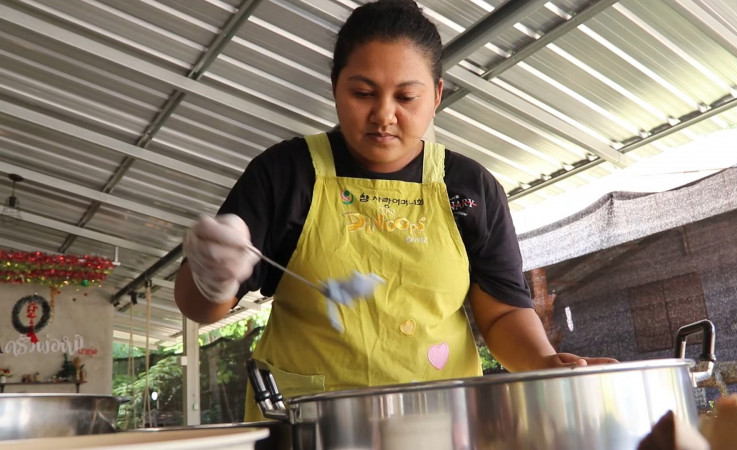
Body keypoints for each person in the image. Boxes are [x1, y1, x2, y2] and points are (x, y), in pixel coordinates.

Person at [174, 0, 615, 421]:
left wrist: (543, 362)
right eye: (363, 92)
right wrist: (210, 278)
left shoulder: (470, 187)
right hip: (308, 425)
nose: (383, 115)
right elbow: (202, 308)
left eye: (406, 97)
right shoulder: (286, 173)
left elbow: (500, 313)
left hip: (440, 424)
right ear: (335, 86)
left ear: (437, 94)